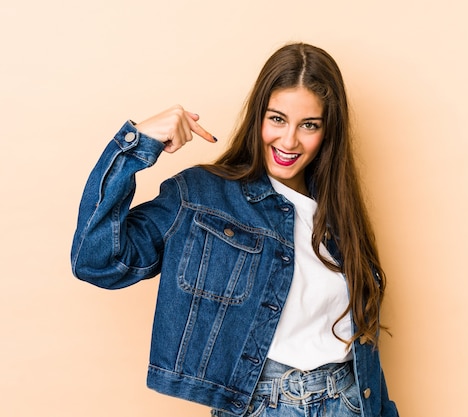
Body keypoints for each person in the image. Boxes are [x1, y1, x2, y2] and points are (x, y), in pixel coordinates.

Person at [71, 42, 399, 417]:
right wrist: (136, 144)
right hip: (265, 406)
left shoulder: (339, 214)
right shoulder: (201, 196)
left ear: (328, 132)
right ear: (258, 116)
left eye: (309, 125)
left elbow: (364, 351)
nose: (289, 141)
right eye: (277, 119)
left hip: (350, 402)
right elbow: (97, 261)